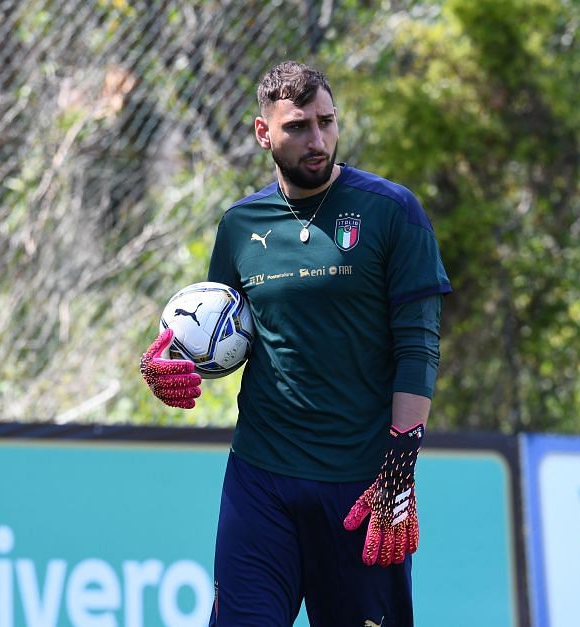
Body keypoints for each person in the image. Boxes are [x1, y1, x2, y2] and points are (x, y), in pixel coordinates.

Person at [140, 61, 452, 626]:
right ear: (264, 134)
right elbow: (217, 335)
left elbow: (419, 347)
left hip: (362, 490)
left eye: (327, 122)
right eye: (297, 127)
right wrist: (168, 364)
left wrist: (399, 469)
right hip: (261, 481)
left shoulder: (392, 212)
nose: (317, 140)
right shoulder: (239, 225)